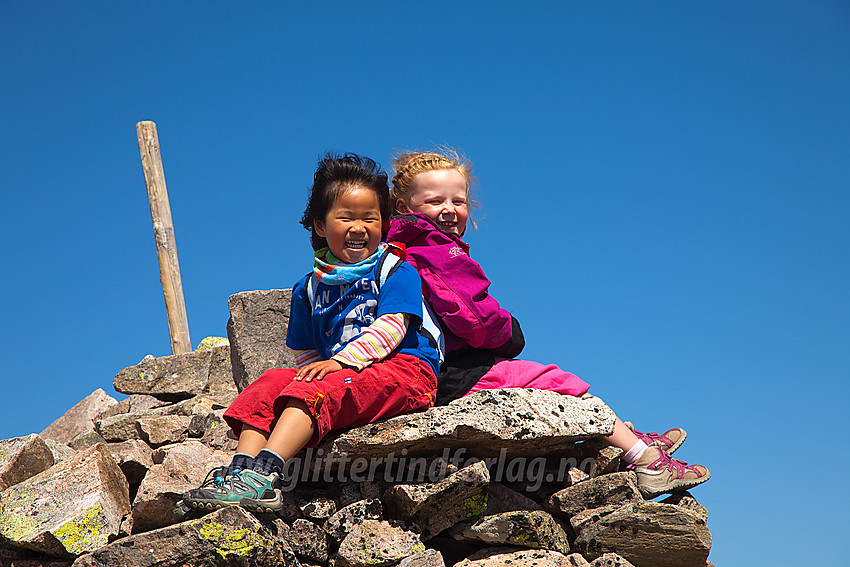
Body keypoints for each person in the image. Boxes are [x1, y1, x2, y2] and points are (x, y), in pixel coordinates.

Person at [385, 149, 709, 499]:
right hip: (458, 372)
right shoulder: (434, 251)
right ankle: (644, 459)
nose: (449, 209)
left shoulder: (401, 249)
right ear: (404, 207)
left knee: (553, 384)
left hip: (442, 366)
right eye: (434, 201)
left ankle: (625, 439)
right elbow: (474, 317)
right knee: (564, 385)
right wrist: (509, 333)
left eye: (458, 200)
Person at [183, 153, 441, 513]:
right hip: (344, 373)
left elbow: (393, 327)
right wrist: (319, 371)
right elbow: (305, 352)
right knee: (271, 382)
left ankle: (266, 473)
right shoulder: (308, 288)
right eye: (346, 217)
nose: (359, 227)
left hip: (406, 371)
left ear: (384, 223)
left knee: (314, 387)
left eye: (371, 218)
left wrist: (338, 364)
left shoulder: (395, 269)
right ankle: (239, 471)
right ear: (320, 225)